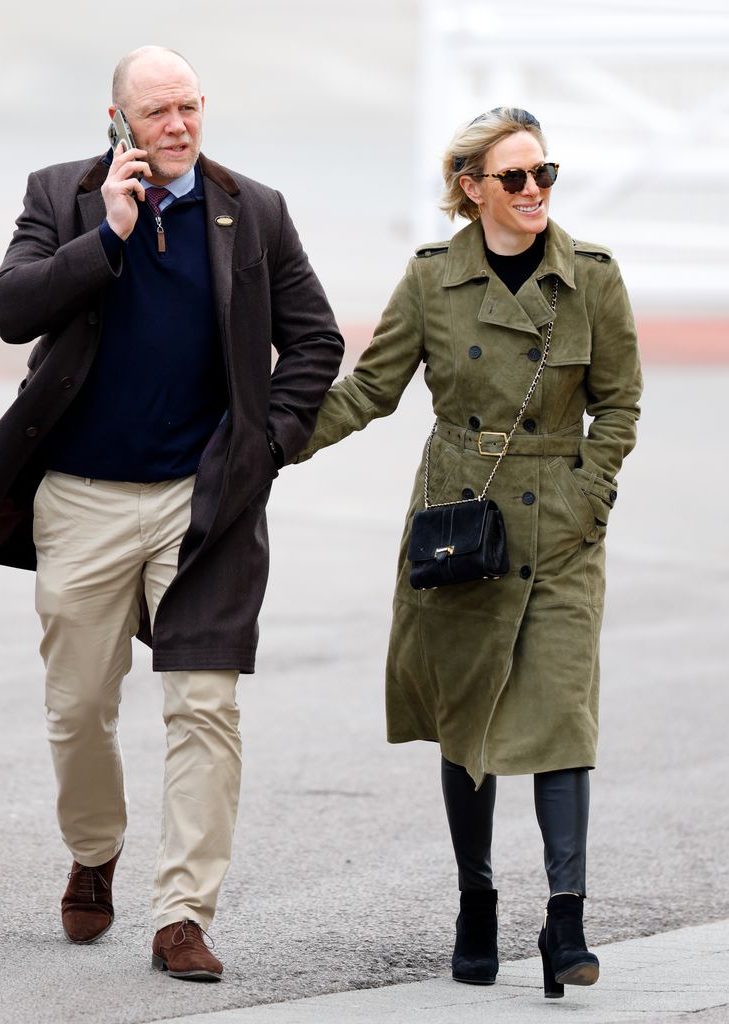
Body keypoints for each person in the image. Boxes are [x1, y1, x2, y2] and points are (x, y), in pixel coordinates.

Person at [0, 45, 343, 981]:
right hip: (82, 500)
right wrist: (110, 236)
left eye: (189, 107)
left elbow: (315, 340)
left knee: (205, 708)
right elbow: (11, 309)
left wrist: (264, 447)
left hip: (202, 503)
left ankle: (182, 915)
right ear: (117, 121)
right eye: (157, 112)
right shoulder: (62, 194)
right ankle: (95, 849)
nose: (177, 126)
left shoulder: (252, 209)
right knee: (80, 705)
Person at [296, 107, 642, 998]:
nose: (536, 193)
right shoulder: (429, 282)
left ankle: (566, 921)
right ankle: (476, 901)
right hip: (462, 519)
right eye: (516, 178)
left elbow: (621, 405)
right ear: (471, 188)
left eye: (545, 175)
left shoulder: (592, 278)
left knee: (563, 716)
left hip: (561, 528)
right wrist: (268, 441)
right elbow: (370, 390)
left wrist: (588, 496)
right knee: (467, 716)